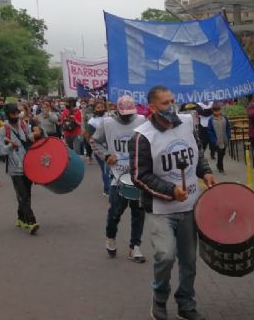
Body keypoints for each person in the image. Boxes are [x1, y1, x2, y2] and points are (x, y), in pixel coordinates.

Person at [130, 86, 215, 320]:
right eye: (165, 103)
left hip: (190, 207)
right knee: (165, 256)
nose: (171, 107)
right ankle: (159, 299)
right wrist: (170, 191)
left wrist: (205, 171)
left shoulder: (187, 123)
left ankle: (186, 303)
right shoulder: (142, 136)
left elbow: (196, 151)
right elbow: (139, 175)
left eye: (172, 101)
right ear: (152, 107)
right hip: (161, 210)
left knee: (189, 261)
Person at [91, 95, 147, 262]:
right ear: (117, 110)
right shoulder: (107, 123)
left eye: (130, 113)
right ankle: (111, 237)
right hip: (117, 176)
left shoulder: (142, 121)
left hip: (137, 175)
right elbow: (94, 141)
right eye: (124, 114)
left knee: (139, 213)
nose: (127, 117)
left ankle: (135, 246)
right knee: (115, 212)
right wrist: (106, 155)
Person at [0, 103, 39, 234]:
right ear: (7, 115)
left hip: (27, 165)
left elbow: (30, 139)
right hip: (15, 168)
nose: (15, 116)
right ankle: (31, 221)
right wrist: (10, 147)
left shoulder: (24, 125)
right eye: (13, 114)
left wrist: (37, 133)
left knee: (27, 195)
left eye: (17, 113)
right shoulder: (3, 130)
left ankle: (20, 218)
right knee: (23, 195)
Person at [84, 100, 111, 196]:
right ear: (94, 109)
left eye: (102, 107)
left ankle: (109, 187)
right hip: (99, 149)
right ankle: (108, 189)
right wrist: (93, 148)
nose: (100, 109)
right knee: (105, 169)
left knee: (110, 168)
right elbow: (89, 136)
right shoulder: (92, 121)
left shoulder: (109, 116)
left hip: (111, 147)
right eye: (98, 107)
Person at [206, 103, 230, 174]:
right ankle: (221, 168)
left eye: (218, 110)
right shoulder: (211, 120)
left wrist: (228, 135)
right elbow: (209, 131)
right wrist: (214, 140)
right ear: (213, 111)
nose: (217, 112)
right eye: (215, 111)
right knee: (220, 154)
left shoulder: (224, 118)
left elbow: (227, 127)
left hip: (224, 139)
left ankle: (218, 164)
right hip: (217, 141)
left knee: (223, 154)